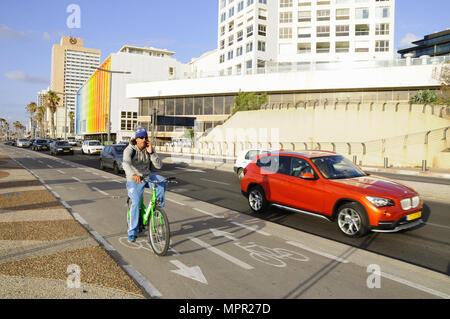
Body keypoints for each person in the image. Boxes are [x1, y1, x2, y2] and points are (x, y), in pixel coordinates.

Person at [122, 127, 167, 242]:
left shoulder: (149, 148)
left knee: (162, 181)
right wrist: (133, 175)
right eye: (141, 137)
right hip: (134, 179)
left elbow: (159, 166)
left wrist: (152, 153)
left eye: (145, 137)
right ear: (136, 139)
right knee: (136, 202)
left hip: (147, 176)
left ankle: (157, 210)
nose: (144, 139)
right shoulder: (129, 150)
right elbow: (125, 165)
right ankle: (132, 232)